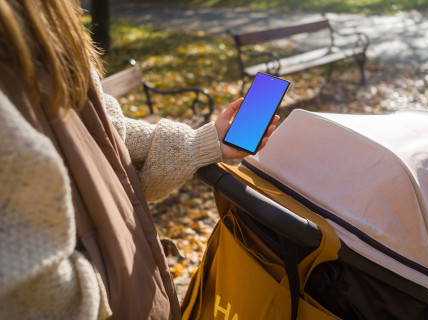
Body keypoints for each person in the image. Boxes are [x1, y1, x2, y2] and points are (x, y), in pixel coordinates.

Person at [0, 0, 278, 319]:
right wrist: (107, 277)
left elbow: (106, 129)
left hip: (131, 284)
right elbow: (27, 290)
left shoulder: (45, 28)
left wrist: (205, 141)